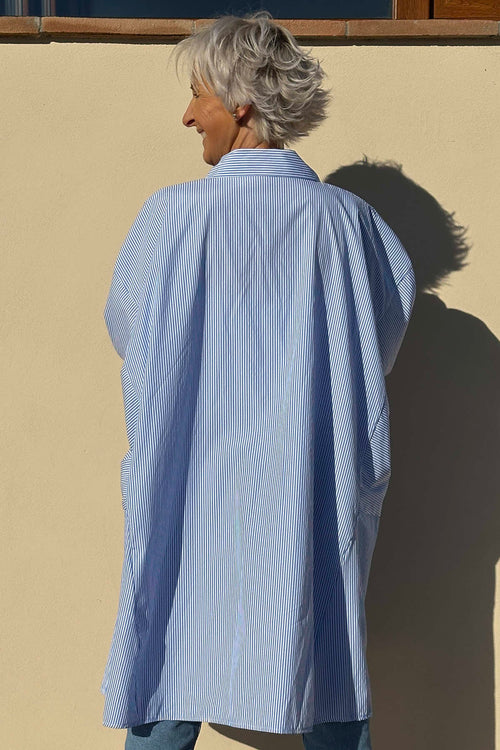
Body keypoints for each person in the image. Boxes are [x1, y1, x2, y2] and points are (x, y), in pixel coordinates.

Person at [101, 12, 415, 750]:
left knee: (172, 643)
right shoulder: (348, 223)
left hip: (193, 482)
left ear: (241, 103)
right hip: (310, 482)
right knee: (327, 651)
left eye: (197, 95)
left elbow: (128, 326)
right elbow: (382, 338)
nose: (187, 116)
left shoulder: (172, 217)